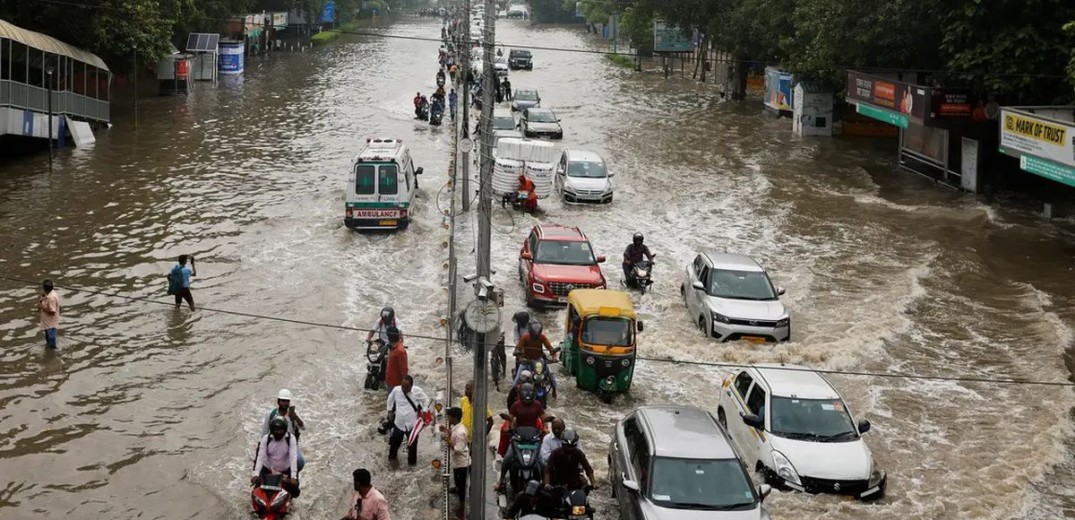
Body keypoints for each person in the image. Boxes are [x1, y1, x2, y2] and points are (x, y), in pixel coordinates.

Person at [386, 375, 429, 465]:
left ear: (411, 386)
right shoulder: (396, 390)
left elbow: (426, 400)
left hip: (412, 424)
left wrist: (424, 412)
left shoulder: (417, 391)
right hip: (399, 423)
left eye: (406, 388)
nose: (404, 390)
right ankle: (392, 463)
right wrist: (389, 411)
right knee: (394, 445)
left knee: (413, 447)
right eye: (402, 387)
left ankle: (412, 466)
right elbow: (390, 399)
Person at [252, 417, 300, 497]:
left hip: (285, 471)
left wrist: (293, 477)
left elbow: (293, 457)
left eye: (281, 430)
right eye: (276, 430)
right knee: (256, 491)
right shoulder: (266, 439)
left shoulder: (291, 439)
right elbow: (260, 457)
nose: (279, 433)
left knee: (295, 493)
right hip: (268, 469)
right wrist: (256, 474)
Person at [261, 389, 307, 473]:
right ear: (278, 401)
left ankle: (292, 476)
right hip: (274, 442)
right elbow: (264, 433)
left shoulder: (292, 414)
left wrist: (294, 416)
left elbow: (303, 427)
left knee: (300, 461)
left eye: (287, 401)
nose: (285, 403)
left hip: (290, 443)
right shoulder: (271, 414)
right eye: (283, 401)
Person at [440, 407, 469, 520]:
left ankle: (461, 510)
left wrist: (447, 440)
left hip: (462, 464)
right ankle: (457, 488)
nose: (448, 419)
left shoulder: (461, 432)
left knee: (462, 487)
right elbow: (454, 434)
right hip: (458, 463)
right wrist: (446, 431)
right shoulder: (457, 428)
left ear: (455, 418)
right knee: (458, 482)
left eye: (449, 417)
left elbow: (458, 449)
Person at [513, 322, 557, 395]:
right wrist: (520, 357)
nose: (536, 337)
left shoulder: (542, 337)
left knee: (551, 377)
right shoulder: (525, 337)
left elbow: (550, 347)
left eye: (538, 335)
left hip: (539, 360)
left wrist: (554, 357)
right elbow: (517, 349)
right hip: (527, 360)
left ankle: (554, 391)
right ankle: (513, 396)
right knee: (516, 381)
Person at [384, 327, 408, 394]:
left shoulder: (400, 351)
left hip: (396, 384)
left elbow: (404, 370)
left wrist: (404, 385)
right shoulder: (393, 348)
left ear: (389, 338)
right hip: (390, 381)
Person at [38, 279, 60, 349]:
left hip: (51, 323)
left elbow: (52, 312)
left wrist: (42, 307)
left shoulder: (51, 297)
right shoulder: (50, 294)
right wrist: (42, 299)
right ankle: (49, 350)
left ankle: (52, 354)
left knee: (51, 338)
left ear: (44, 288)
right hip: (47, 322)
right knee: (48, 336)